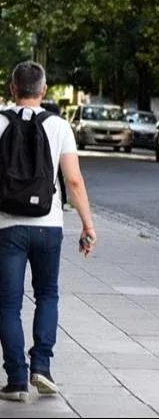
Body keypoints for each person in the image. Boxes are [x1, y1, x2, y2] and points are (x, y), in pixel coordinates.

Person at [0, 61, 96, 401]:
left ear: (13, 89)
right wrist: (87, 224)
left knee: (7, 304)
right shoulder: (59, 126)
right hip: (48, 226)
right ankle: (41, 366)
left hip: (7, 226)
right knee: (47, 295)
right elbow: (73, 181)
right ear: (43, 90)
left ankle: (16, 380)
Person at [39, 101, 70, 211]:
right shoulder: (59, 126)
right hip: (50, 203)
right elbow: (72, 179)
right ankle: (63, 200)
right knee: (59, 174)